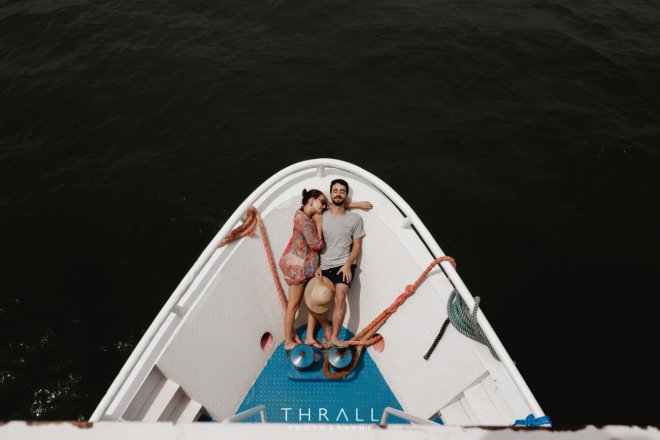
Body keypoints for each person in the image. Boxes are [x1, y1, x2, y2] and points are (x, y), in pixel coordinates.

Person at [311, 178, 369, 345]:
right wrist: (317, 265)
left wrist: (347, 264)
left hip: (343, 265)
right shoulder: (321, 215)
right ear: (330, 194)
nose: (338, 194)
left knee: (340, 297)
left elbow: (357, 247)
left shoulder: (355, 219)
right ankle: (325, 328)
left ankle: (335, 337)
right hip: (323, 265)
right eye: (335, 191)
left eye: (342, 191)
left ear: (346, 195)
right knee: (314, 301)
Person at [279, 189, 327, 351]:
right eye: (322, 201)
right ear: (312, 200)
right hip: (298, 270)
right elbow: (316, 245)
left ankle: (309, 337)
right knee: (293, 305)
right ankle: (288, 341)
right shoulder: (306, 222)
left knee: (310, 302)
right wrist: (319, 225)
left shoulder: (301, 214)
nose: (324, 205)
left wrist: (317, 266)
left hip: (306, 268)